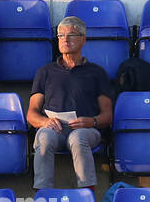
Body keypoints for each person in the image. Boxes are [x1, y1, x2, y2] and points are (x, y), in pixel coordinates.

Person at [27, 15, 112, 191]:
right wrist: (45, 121)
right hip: (55, 129)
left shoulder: (97, 73)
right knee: (44, 136)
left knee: (78, 137)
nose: (65, 39)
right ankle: (43, 195)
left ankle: (86, 194)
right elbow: (32, 113)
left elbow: (107, 115)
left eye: (71, 34)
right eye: (60, 35)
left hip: (86, 130)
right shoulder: (45, 72)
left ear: (83, 39)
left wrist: (91, 121)